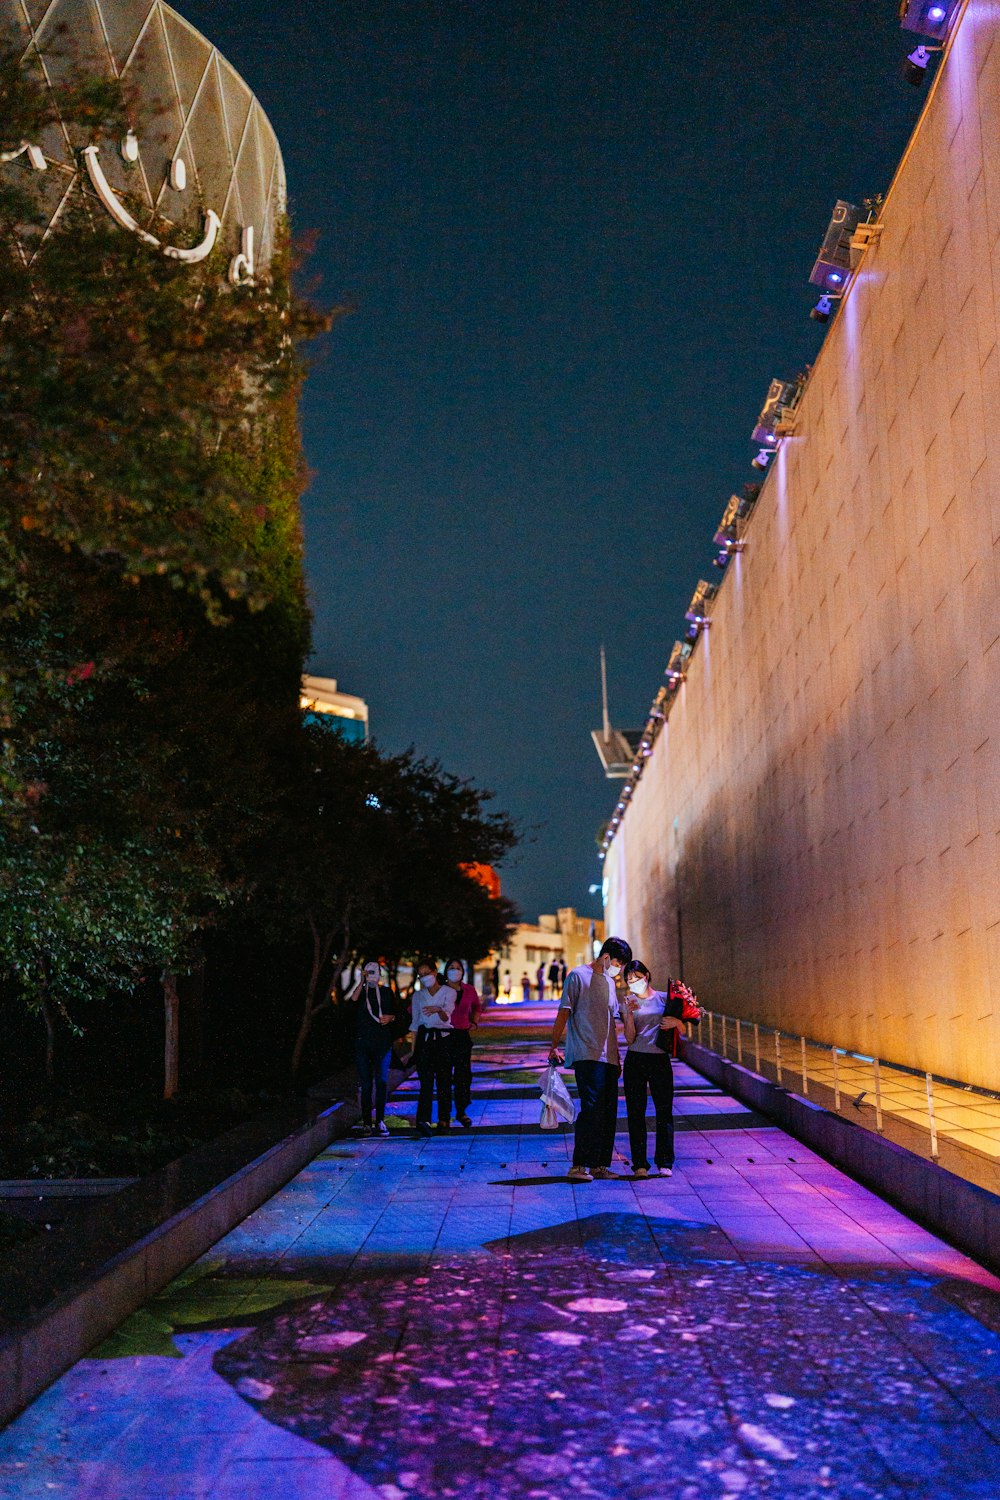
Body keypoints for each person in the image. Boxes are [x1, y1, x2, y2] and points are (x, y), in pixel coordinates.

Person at [547, 936, 633, 1182]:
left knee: (608, 1111)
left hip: (608, 1058)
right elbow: (564, 1012)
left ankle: (600, 1165)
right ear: (606, 957)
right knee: (591, 1108)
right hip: (586, 1054)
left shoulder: (609, 982)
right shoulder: (577, 976)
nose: (619, 971)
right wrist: (553, 1045)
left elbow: (611, 1022)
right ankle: (578, 1165)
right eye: (618, 964)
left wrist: (617, 1058)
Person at [619, 960, 692, 1177]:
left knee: (664, 1111)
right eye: (629, 980)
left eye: (637, 978)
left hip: (660, 1060)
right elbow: (630, 1038)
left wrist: (676, 1024)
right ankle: (640, 1164)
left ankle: (665, 1162)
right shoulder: (628, 1002)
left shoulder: (663, 998)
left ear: (647, 975)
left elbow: (683, 1030)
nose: (634, 983)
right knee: (636, 1112)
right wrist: (629, 1014)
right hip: (635, 1060)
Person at [347, 960, 396, 1136]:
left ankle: (380, 1121)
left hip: (382, 1043)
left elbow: (397, 1013)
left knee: (382, 1081)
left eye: (375, 970)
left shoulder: (386, 992)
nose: (372, 974)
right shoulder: (361, 993)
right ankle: (367, 1122)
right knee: (366, 1083)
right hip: (362, 1044)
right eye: (368, 971)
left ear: (381, 973)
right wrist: (361, 981)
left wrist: (391, 1018)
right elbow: (351, 1003)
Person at [411, 961, 457, 1136]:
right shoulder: (417, 996)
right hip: (425, 1040)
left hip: (443, 1040)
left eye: (427, 973)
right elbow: (414, 1025)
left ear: (435, 972)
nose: (425, 977)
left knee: (444, 1080)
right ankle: (424, 1120)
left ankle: (444, 1118)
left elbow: (447, 1018)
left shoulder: (449, 992)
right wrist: (414, 1052)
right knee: (426, 1083)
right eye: (421, 975)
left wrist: (438, 1009)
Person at [445, 958, 481, 1128]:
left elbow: (477, 1006)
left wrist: (474, 1022)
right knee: (444, 1076)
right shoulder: (440, 989)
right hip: (443, 1036)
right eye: (451, 968)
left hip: (462, 1037)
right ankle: (443, 1115)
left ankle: (461, 1112)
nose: (454, 971)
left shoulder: (469, 990)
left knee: (463, 1076)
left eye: (458, 968)